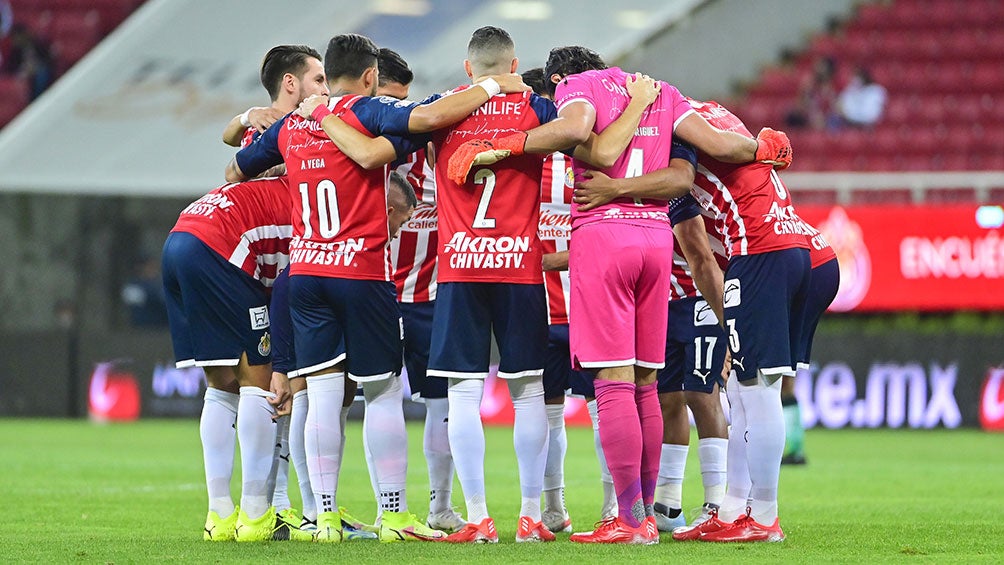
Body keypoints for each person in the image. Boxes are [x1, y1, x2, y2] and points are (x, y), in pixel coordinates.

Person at [448, 45, 791, 545]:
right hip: (655, 241)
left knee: (612, 383)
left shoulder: (577, 88)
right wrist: (764, 148)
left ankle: (628, 520)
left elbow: (584, 139)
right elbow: (703, 159)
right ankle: (646, 515)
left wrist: (498, 147)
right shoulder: (662, 92)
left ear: (563, 75)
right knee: (648, 385)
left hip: (604, 240)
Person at [226, 32, 528, 543]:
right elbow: (430, 120)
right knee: (382, 391)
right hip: (361, 272)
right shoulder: (368, 111)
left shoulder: (293, 124)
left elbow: (236, 168)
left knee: (320, 394)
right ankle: (393, 515)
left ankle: (322, 518)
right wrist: (494, 83)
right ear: (370, 76)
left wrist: (251, 124)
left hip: (306, 272)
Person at [217, 44, 330, 536]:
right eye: (318, 79)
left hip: (289, 266)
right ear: (291, 84)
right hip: (271, 267)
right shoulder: (271, 128)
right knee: (272, 386)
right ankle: (274, 503)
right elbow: (234, 162)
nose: (325, 90)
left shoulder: (305, 123)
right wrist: (247, 117)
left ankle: (284, 503)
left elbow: (228, 143)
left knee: (287, 386)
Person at [162, 176, 309, 542]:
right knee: (256, 387)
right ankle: (256, 516)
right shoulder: (312, 207)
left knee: (222, 386)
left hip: (179, 240)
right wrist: (283, 367)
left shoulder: (265, 189)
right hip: (220, 250)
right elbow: (287, 290)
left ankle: (220, 514)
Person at [377, 47, 466, 534]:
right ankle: (384, 509)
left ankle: (438, 506)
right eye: (392, 101)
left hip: (432, 302)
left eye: (406, 103)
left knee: (441, 403)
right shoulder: (366, 161)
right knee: (368, 400)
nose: (401, 113)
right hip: (376, 298)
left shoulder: (436, 159)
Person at [652, 188, 730, 533]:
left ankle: (717, 502)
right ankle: (668, 504)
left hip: (699, 301)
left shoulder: (678, 193)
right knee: (667, 399)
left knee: (703, 394)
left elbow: (703, 257)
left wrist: (729, 326)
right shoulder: (632, 186)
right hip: (661, 304)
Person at [781, 219, 839, 465]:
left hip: (803, 269)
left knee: (768, 373)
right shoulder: (784, 216)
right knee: (786, 376)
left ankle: (785, 447)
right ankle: (794, 447)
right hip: (823, 263)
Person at [121, 254, 169, 328]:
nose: (154, 270)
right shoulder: (132, 286)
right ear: (140, 268)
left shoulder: (160, 284)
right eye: (149, 266)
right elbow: (134, 297)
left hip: (163, 328)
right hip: (143, 330)